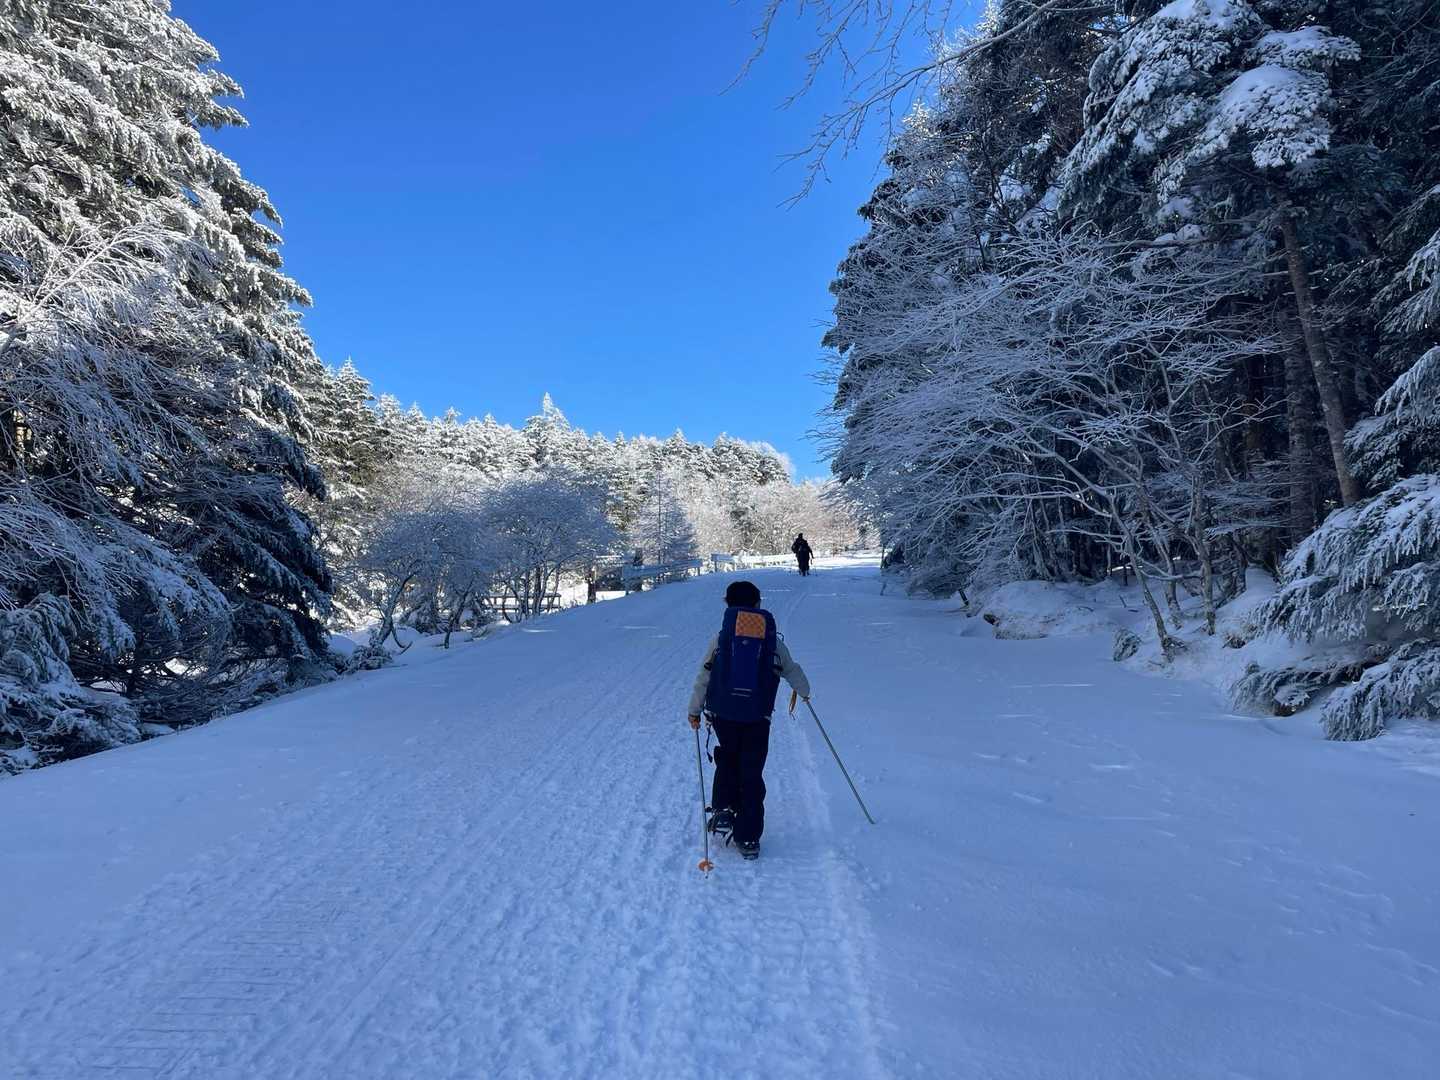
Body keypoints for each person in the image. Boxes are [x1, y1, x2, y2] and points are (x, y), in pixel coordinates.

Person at [687, 580, 810, 860]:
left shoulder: (721, 639)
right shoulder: (771, 640)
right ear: (758, 603)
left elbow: (704, 675)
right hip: (757, 717)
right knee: (751, 770)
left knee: (728, 758)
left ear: (727, 604)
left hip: (723, 715)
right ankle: (748, 837)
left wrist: (694, 710)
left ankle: (723, 809)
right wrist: (804, 692)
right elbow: (791, 669)